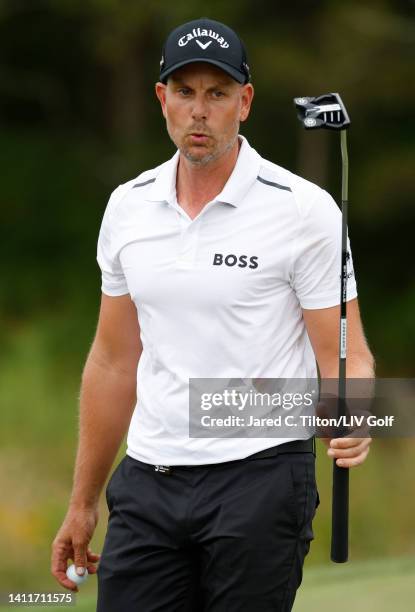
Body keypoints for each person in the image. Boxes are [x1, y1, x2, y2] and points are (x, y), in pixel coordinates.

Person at [51, 17, 374, 611]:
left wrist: (357, 417)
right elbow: (114, 360)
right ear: (162, 100)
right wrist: (82, 500)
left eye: (218, 94)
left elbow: (343, 354)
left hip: (261, 477)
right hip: (148, 479)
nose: (199, 111)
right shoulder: (128, 207)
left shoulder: (303, 210)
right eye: (185, 92)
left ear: (244, 103)